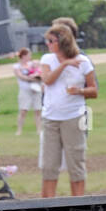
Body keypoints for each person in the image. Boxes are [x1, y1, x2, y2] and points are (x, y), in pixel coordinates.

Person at [39, 22, 98, 197]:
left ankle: (77, 204)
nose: (48, 44)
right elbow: (47, 80)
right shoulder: (47, 59)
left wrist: (79, 91)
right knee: (49, 164)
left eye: (51, 41)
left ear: (62, 42)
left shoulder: (84, 62)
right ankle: (46, 207)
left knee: (76, 162)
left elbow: (94, 90)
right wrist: (64, 65)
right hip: (51, 118)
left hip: (74, 117)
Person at [14, 46, 43, 134]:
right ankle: (19, 130)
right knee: (23, 110)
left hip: (36, 90)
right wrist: (32, 78)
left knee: (38, 110)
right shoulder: (17, 66)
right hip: (25, 90)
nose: (30, 57)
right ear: (23, 56)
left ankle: (39, 130)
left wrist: (36, 76)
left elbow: (40, 72)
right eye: (28, 55)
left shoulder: (33, 64)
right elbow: (21, 76)